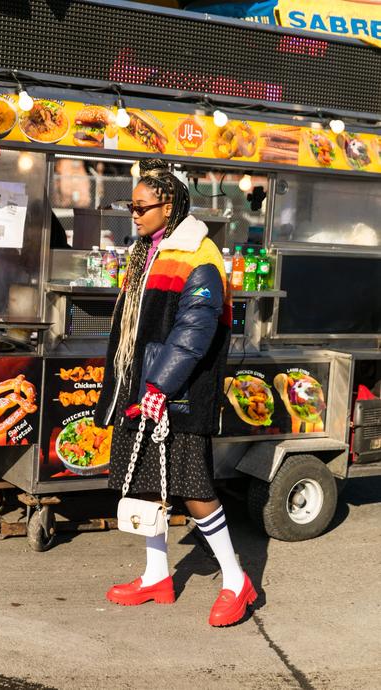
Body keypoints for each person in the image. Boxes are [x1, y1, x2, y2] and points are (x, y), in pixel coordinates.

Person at [94, 159, 257, 626]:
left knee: (194, 490)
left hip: (176, 392)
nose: (135, 215)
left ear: (170, 206)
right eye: (132, 206)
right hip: (142, 386)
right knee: (144, 484)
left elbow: (195, 331)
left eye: (142, 207)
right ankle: (155, 577)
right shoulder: (147, 251)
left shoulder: (199, 255)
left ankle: (235, 579)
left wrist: (158, 386)